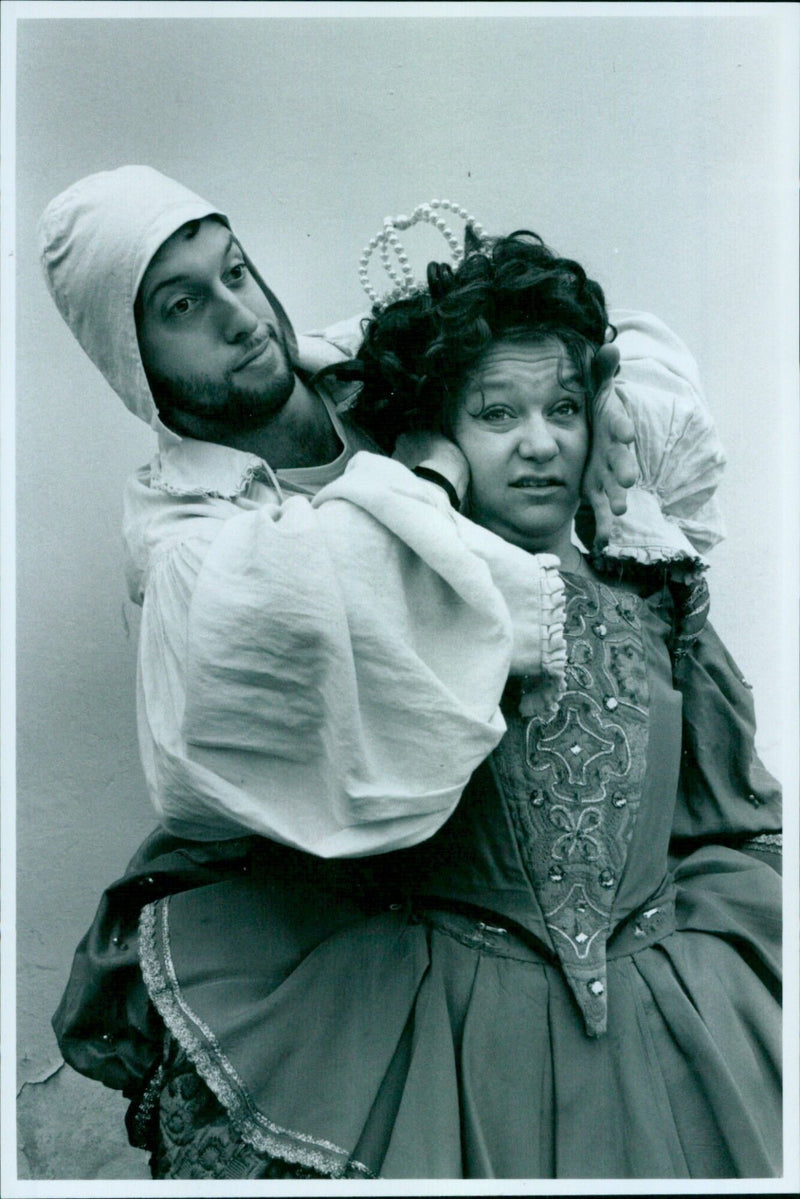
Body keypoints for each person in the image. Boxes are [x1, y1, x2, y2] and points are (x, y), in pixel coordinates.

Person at [37, 168, 755, 1178]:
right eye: (183, 306)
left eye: (233, 270)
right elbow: (347, 588)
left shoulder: (355, 371)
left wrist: (602, 409)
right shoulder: (196, 542)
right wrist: (434, 470)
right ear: (133, 358)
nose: (239, 317)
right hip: (380, 898)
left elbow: (519, 348)